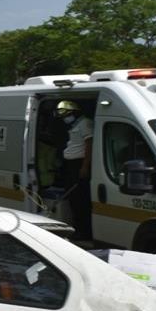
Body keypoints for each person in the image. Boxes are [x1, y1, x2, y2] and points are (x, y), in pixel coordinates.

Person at [56, 100, 93, 241]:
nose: (65, 117)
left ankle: (83, 232)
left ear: (75, 113)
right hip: (71, 165)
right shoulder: (76, 124)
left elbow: (89, 144)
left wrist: (84, 166)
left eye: (68, 114)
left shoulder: (85, 123)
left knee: (80, 200)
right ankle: (78, 229)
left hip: (79, 165)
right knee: (73, 199)